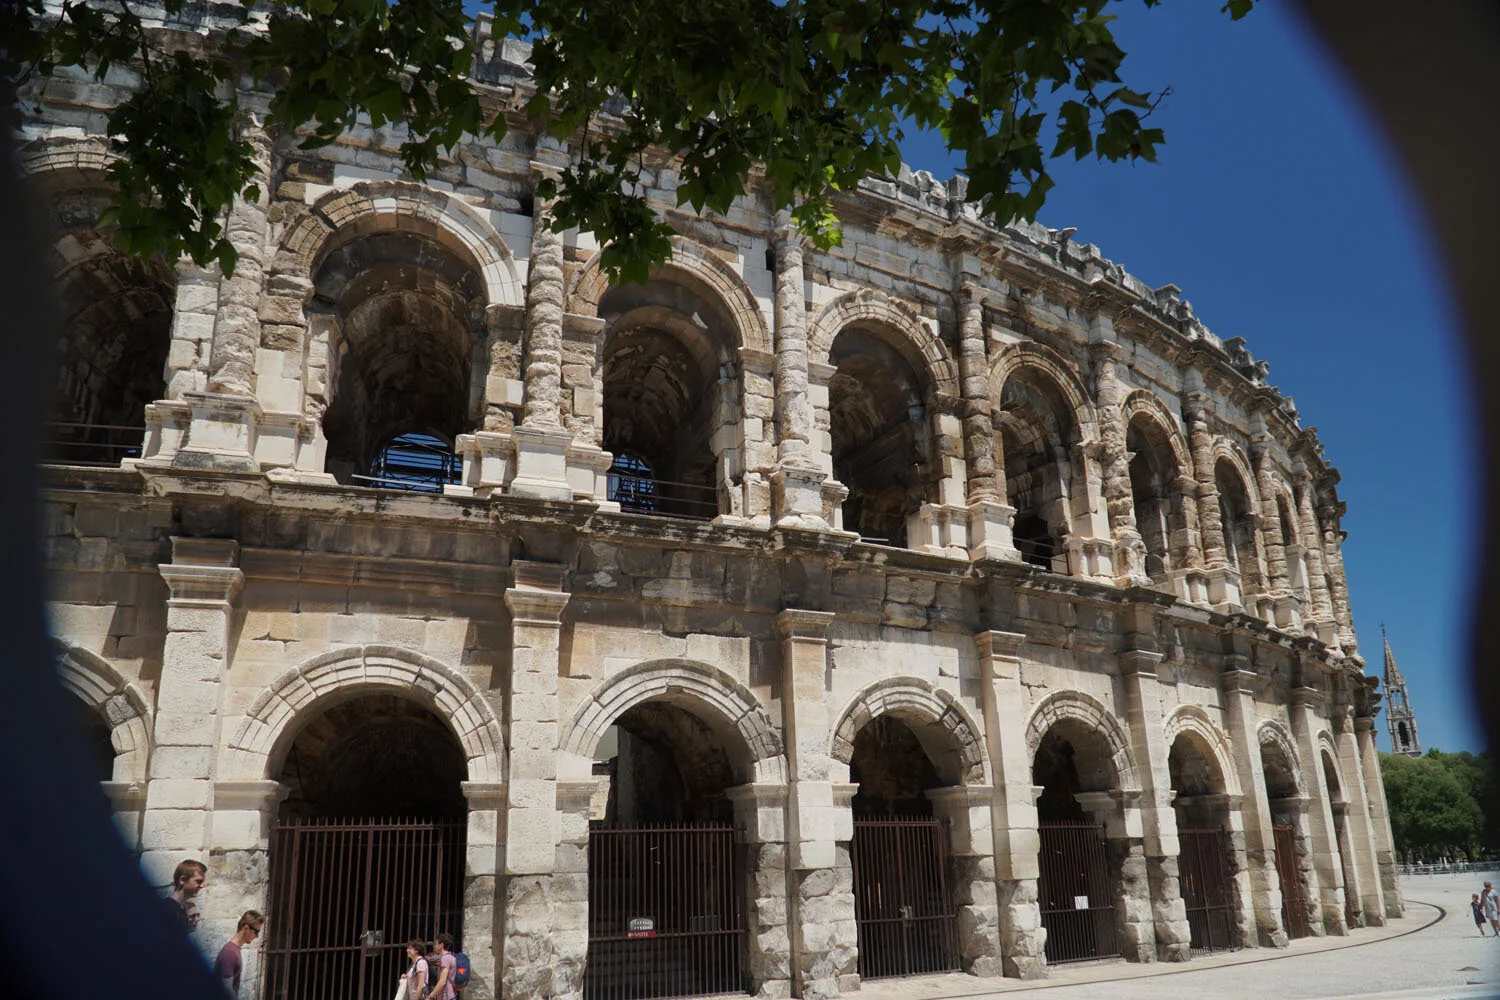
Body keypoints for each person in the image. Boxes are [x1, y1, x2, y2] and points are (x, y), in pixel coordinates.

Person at [213, 910, 264, 998]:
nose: (257, 936)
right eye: (256, 932)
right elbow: (226, 988)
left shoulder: (233, 950)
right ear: (246, 928)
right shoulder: (230, 953)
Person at [170, 860, 208, 932]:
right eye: (198, 881)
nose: (202, 886)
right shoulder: (166, 910)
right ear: (182, 880)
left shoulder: (181, 910)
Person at [424, 932, 457, 1000]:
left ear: (441, 945)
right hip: (452, 995)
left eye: (435, 944)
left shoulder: (445, 958)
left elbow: (442, 981)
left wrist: (430, 997)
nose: (434, 946)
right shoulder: (452, 956)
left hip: (446, 996)